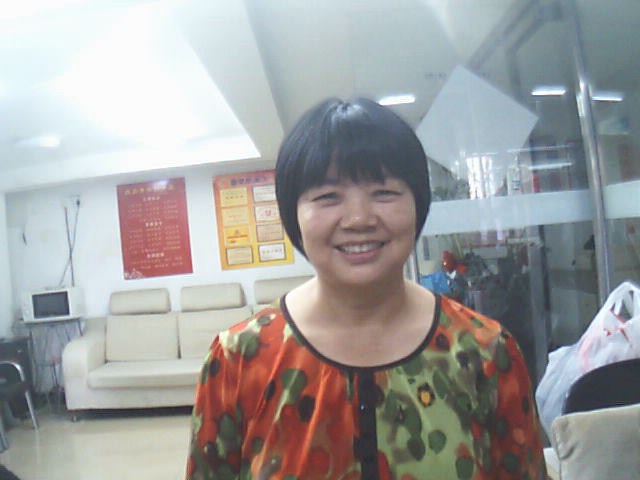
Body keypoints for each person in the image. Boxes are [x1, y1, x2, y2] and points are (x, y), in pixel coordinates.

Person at [186, 98, 547, 479]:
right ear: (293, 214)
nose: (359, 219)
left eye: (384, 192)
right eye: (327, 197)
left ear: (418, 204)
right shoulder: (242, 358)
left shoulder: (485, 350)